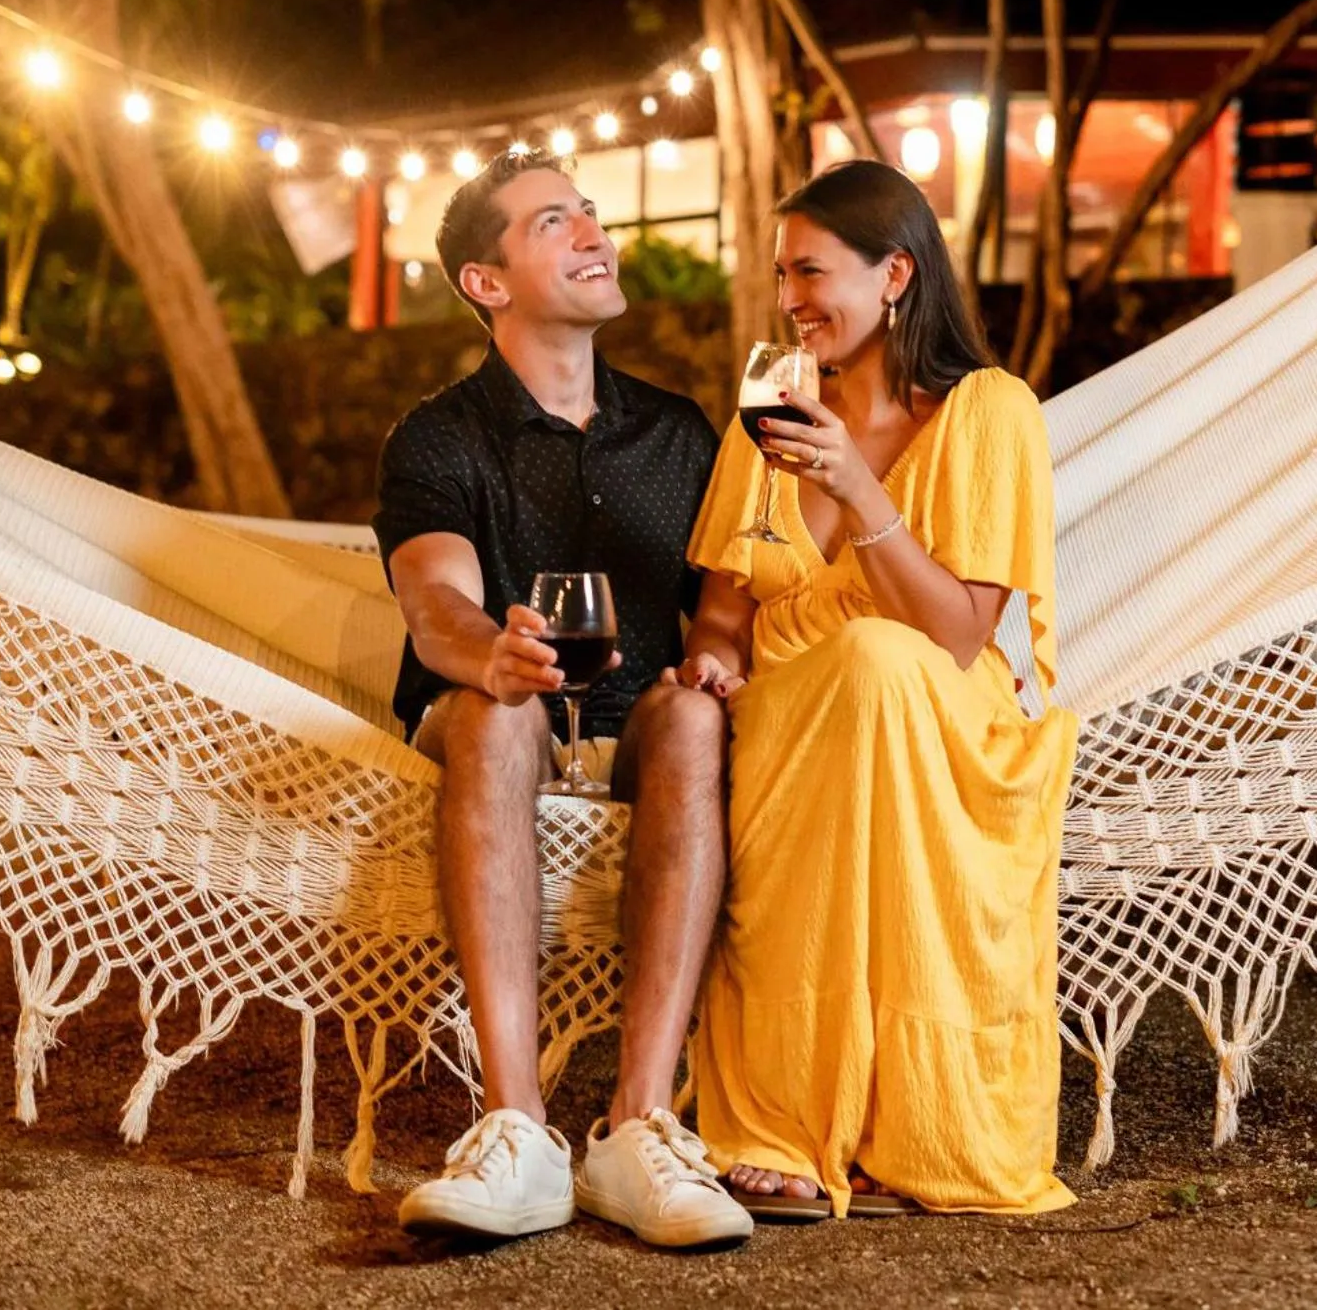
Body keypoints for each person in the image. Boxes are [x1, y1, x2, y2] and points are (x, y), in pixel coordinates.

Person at [677, 160, 1079, 1219]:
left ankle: (897, 1123)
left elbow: (956, 633)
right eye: (777, 276)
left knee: (872, 663)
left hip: (933, 719)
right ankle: (788, 1115)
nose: (788, 298)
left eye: (810, 271)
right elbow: (725, 604)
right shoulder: (765, 421)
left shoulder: (988, 412)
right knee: (842, 672)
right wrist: (715, 655)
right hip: (786, 719)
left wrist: (856, 486)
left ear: (895, 271)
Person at [375, 149, 751, 1250]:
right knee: (498, 717)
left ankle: (637, 1128)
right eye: (554, 221)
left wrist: (718, 652)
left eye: (590, 211)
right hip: (499, 718)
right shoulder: (439, 437)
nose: (594, 231)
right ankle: (519, 1130)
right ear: (484, 283)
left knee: (690, 714)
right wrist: (492, 654)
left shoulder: (677, 431)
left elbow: (718, 599)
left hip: (634, 717)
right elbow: (431, 598)